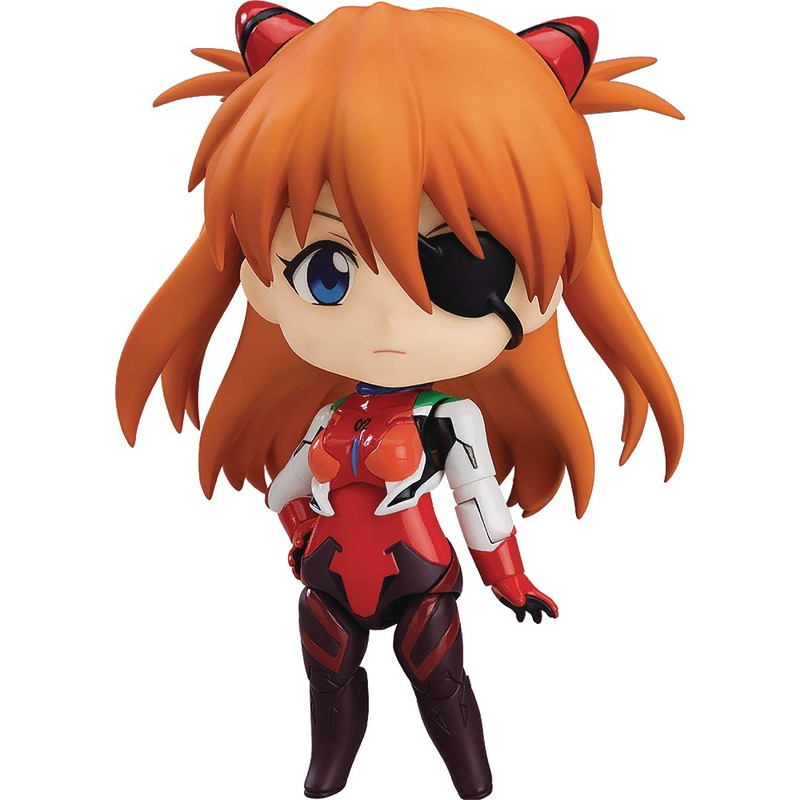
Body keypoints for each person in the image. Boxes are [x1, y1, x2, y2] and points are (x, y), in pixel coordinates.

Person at [116, 4, 684, 798]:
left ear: (545, 292)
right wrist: (298, 529)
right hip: (328, 581)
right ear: (260, 281)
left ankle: (472, 781)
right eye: (327, 271)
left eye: (464, 267)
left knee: (441, 685)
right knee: (328, 679)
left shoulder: (448, 421)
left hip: (420, 582)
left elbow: (479, 500)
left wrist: (508, 578)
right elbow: (283, 491)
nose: (391, 321)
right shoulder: (327, 420)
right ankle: (328, 775)